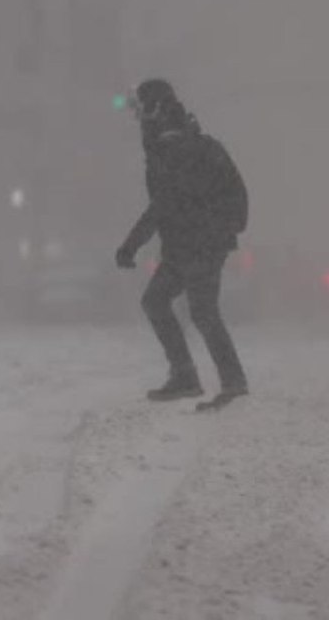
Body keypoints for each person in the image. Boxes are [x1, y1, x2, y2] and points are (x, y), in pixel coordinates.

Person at [115, 78, 249, 410]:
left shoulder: (177, 148)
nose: (138, 116)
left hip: (201, 244)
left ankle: (232, 381)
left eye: (141, 108)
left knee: (202, 311)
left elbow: (163, 204)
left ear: (156, 108)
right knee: (156, 301)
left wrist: (131, 245)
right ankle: (186, 375)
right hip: (183, 246)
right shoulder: (167, 144)